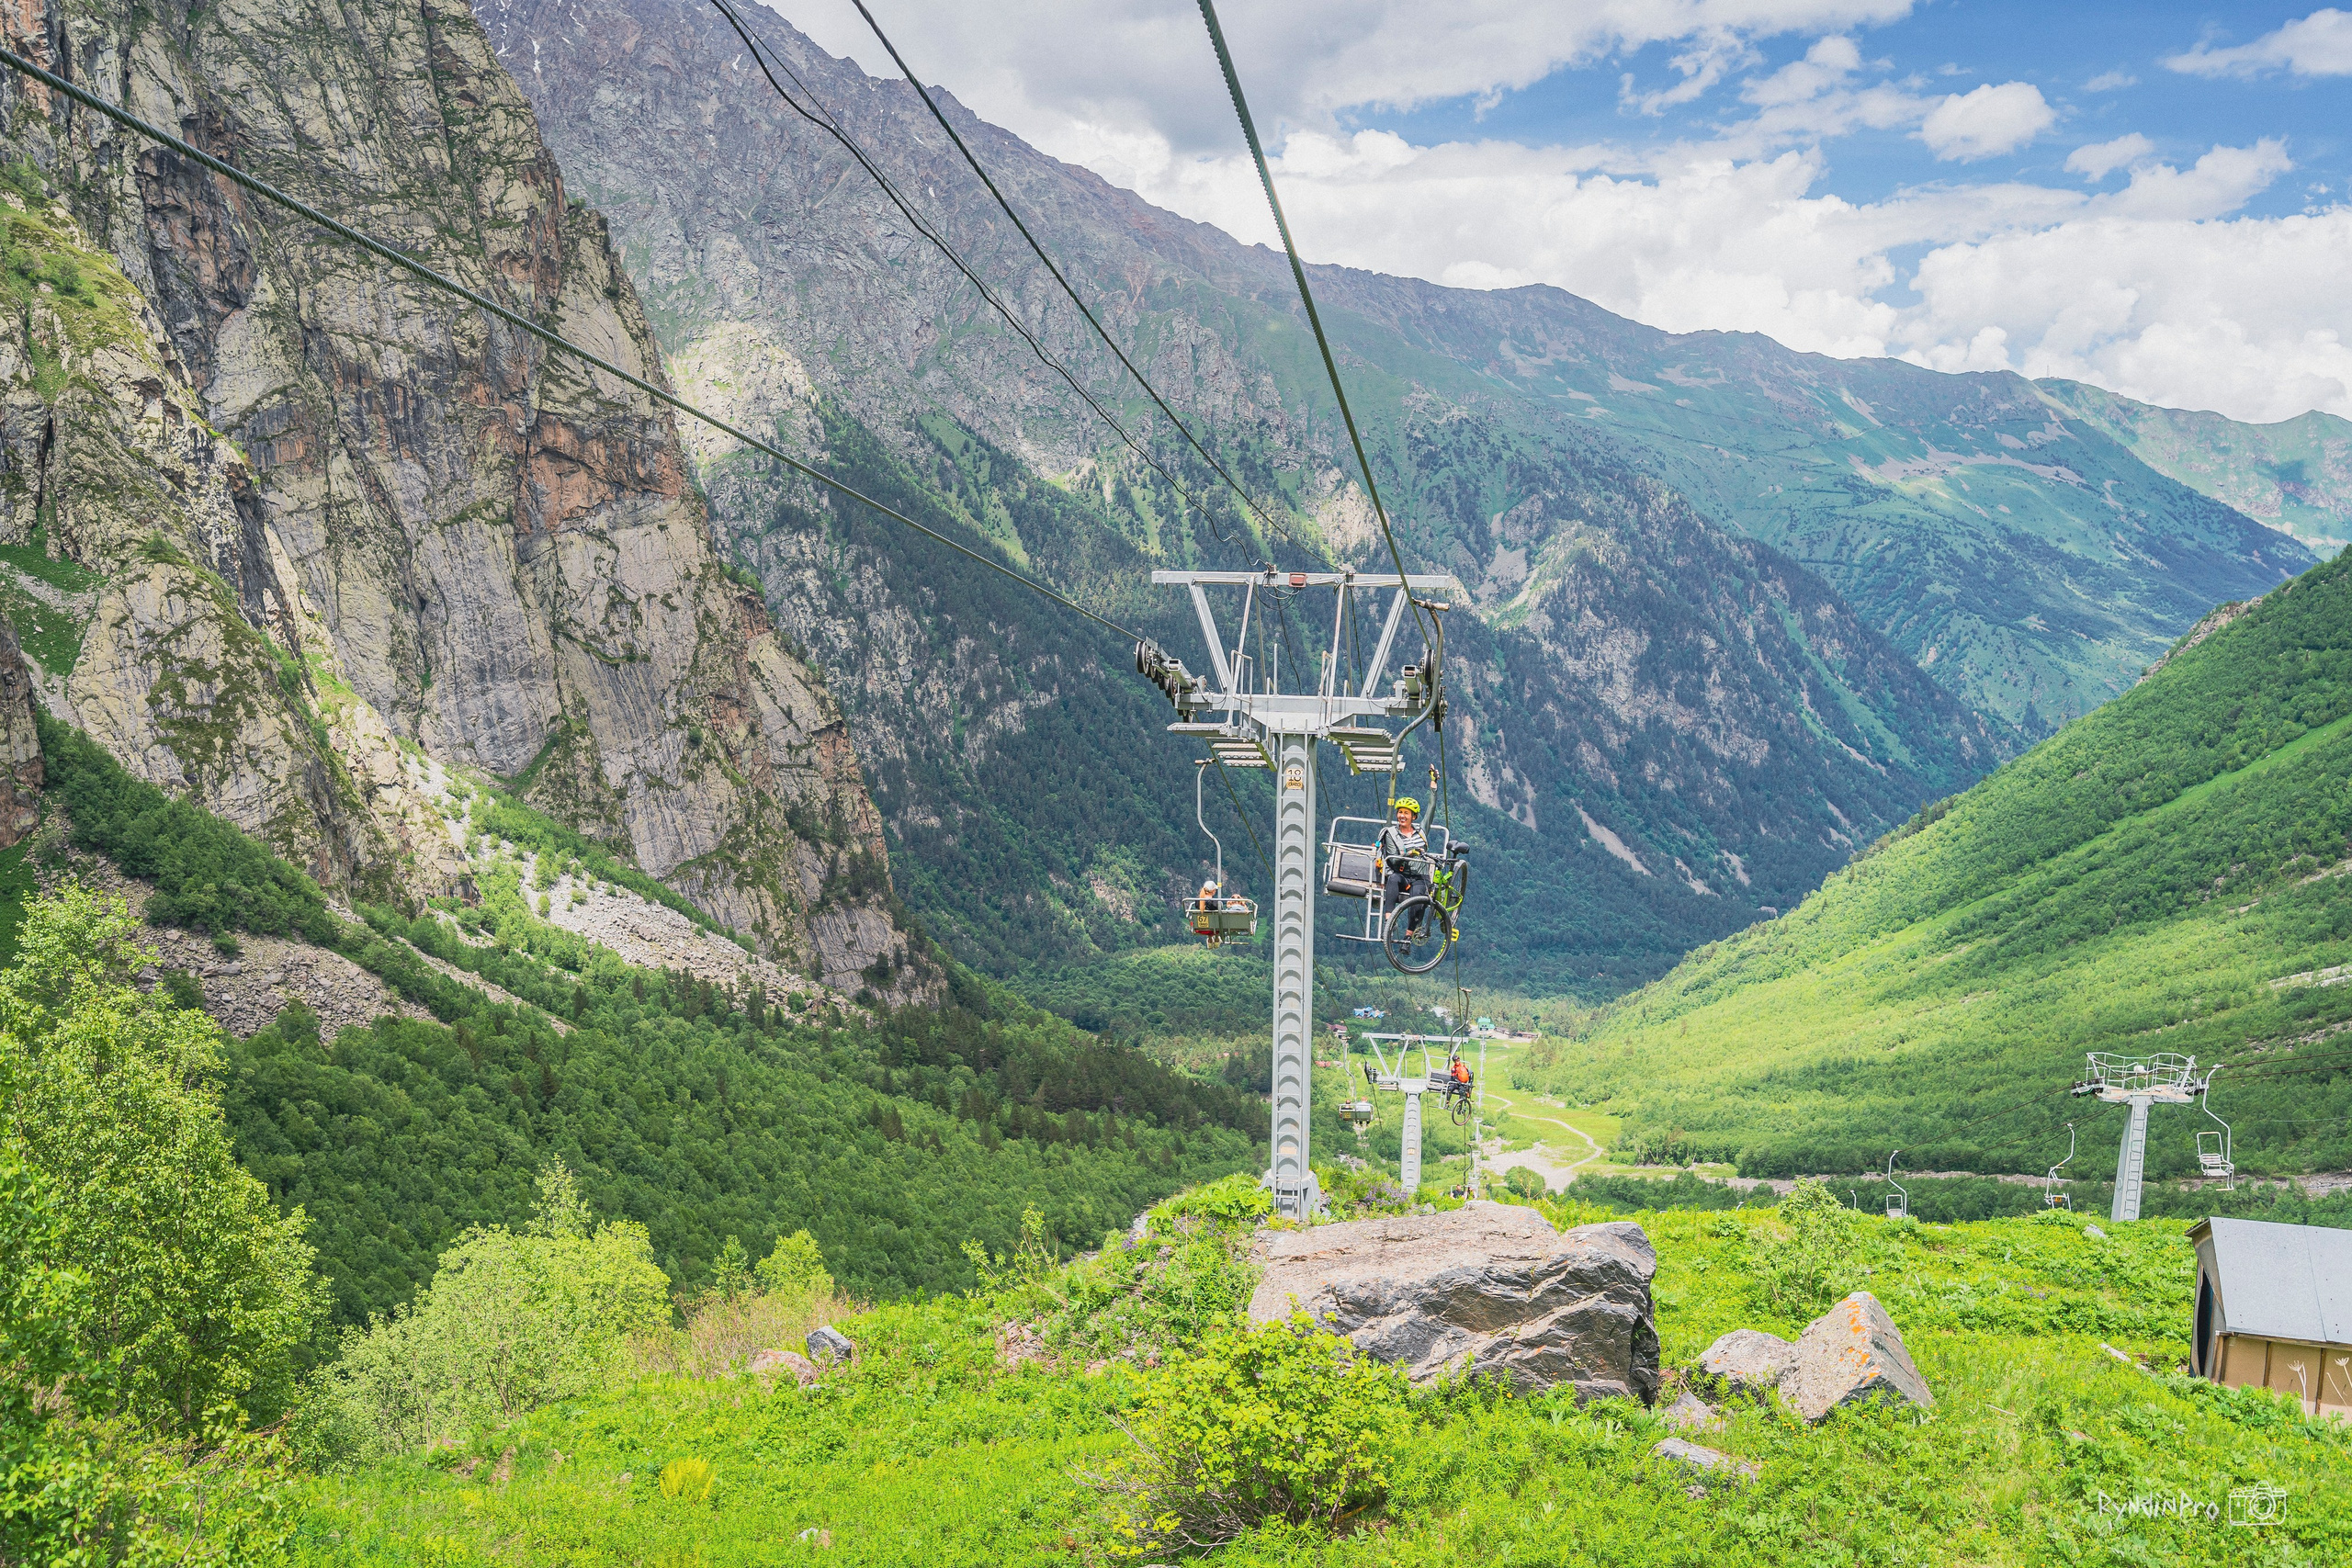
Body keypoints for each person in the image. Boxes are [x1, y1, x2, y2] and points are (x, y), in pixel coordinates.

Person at [1379, 797, 1430, 935]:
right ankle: (1389, 921)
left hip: (1420, 876)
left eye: (1406, 813)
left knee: (1417, 901)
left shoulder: (1421, 831)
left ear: (1413, 816)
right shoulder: (1392, 834)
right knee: (1393, 879)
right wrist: (1409, 854)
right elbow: (1394, 861)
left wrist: (1434, 787)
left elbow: (1431, 810)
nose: (1402, 816)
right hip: (1402, 874)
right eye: (1400, 812)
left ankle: (1408, 937)